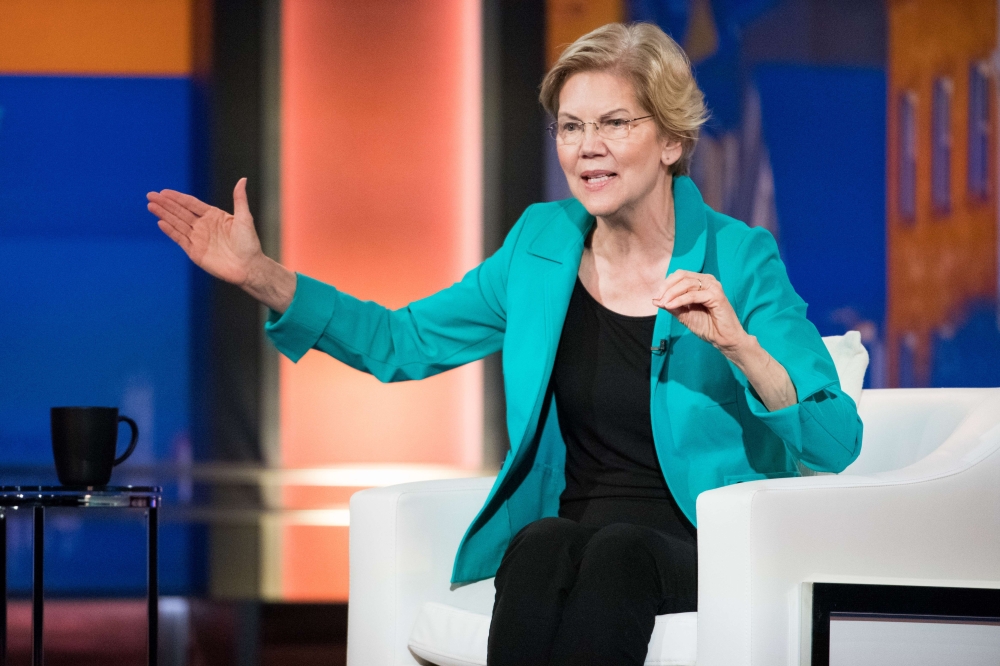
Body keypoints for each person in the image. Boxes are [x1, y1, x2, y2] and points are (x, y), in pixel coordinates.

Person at [148, 22, 862, 666]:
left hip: (701, 545)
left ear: (672, 140)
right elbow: (401, 341)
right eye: (572, 126)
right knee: (539, 543)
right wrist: (263, 277)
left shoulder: (739, 259)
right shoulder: (539, 246)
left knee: (615, 554)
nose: (588, 148)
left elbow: (835, 439)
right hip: (574, 537)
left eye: (614, 122)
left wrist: (739, 346)